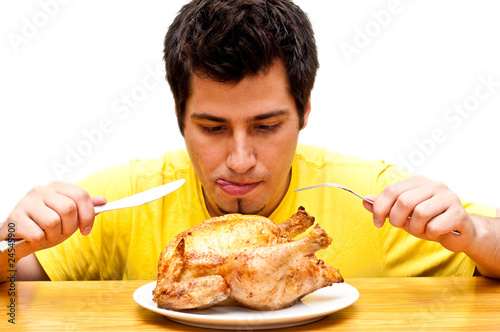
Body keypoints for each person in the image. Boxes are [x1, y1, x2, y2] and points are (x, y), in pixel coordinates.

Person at [1, 0, 499, 282]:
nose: (240, 160)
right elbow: (14, 295)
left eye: (266, 126)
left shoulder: (373, 196)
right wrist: (8, 243)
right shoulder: (124, 199)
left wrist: (472, 235)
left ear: (304, 112)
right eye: (213, 128)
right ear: (180, 116)